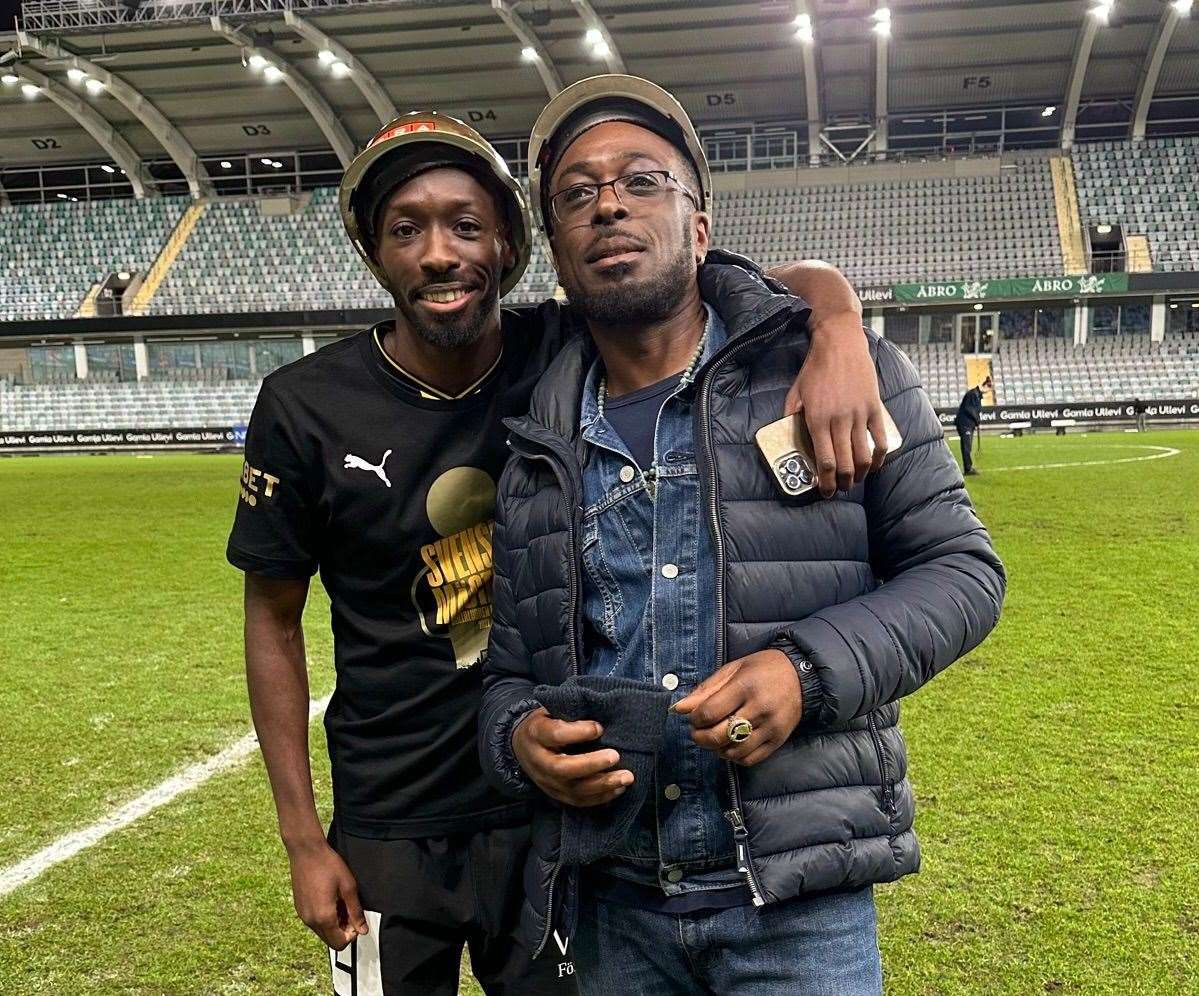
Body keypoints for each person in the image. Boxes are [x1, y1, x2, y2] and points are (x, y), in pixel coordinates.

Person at [227, 110, 884, 996]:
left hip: (551, 817)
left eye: (465, 225)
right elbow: (271, 620)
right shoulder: (303, 404)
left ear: (506, 244)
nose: (437, 255)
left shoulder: (564, 350)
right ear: (373, 253)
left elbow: (725, 279)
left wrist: (837, 322)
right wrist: (306, 841)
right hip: (388, 816)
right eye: (405, 230)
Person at [480, 76, 1007, 995]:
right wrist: (517, 736)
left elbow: (962, 572)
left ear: (699, 224)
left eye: (643, 180)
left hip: (797, 906)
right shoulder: (535, 445)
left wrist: (805, 672)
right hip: (611, 910)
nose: (607, 202)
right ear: (557, 256)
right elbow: (506, 669)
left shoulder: (835, 372)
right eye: (575, 193)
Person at [955, 374, 992, 475]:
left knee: (968, 446)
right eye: (988, 390)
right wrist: (977, 420)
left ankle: (969, 467)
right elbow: (969, 409)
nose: (987, 393)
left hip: (968, 423)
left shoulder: (977, 395)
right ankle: (968, 469)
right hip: (964, 423)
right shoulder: (973, 394)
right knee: (966, 446)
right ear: (985, 386)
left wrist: (976, 420)